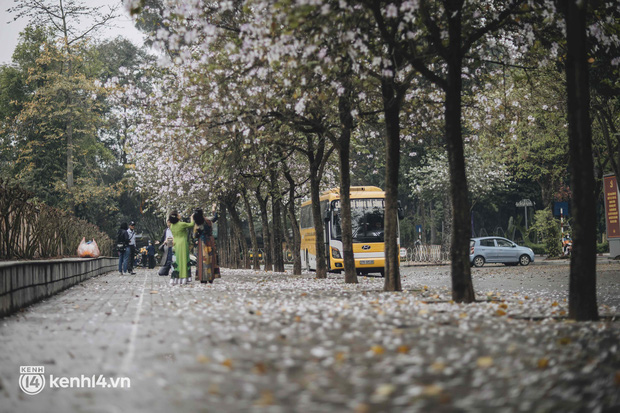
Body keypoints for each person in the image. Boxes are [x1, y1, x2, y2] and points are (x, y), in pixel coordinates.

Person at [193, 207, 220, 283]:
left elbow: (194, 235)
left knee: (202, 259)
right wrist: (214, 209)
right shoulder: (208, 220)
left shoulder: (197, 223)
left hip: (202, 242)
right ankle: (211, 277)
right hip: (210, 241)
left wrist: (197, 238)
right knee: (211, 258)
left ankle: (202, 277)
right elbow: (215, 218)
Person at [168, 211, 194, 285]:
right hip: (182, 243)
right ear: (177, 217)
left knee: (176, 261)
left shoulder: (172, 226)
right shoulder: (181, 224)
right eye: (178, 214)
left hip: (175, 244)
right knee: (184, 260)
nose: (180, 215)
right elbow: (191, 225)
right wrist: (192, 218)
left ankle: (176, 277)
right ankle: (184, 277)